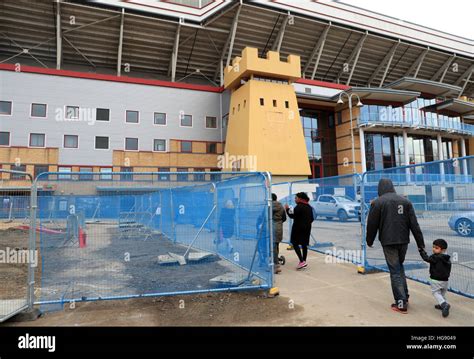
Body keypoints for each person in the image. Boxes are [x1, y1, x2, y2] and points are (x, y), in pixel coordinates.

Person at [366, 178, 425, 314]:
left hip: (388, 242)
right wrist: (420, 245)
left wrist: (369, 241)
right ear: (392, 187)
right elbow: (415, 226)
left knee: (395, 271)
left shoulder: (377, 203)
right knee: (399, 267)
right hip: (403, 241)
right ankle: (405, 296)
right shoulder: (405, 201)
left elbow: (372, 225)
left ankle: (401, 303)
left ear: (380, 188)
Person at [419, 239, 452, 318]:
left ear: (443, 250)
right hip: (445, 281)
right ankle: (443, 304)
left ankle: (444, 304)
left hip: (435, 279)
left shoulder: (435, 257)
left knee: (436, 293)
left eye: (436, 248)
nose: (434, 249)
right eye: (433, 247)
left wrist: (421, 251)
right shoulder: (447, 258)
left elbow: (426, 258)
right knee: (442, 293)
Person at [284, 192, 314, 270]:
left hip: (298, 228)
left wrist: (287, 209)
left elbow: (292, 216)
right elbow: (312, 218)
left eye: (296, 198)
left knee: (295, 243)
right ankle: (304, 261)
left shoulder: (299, 206)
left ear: (300, 199)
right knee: (304, 244)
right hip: (307, 228)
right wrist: (306, 223)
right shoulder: (309, 207)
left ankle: (301, 261)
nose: (295, 199)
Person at [272, 193, 286, 274]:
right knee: (276, 244)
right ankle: (276, 259)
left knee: (271, 246)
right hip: (279, 227)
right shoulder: (281, 206)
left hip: (271, 226)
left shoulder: (269, 206)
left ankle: (276, 265)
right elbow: (284, 218)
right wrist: (279, 222)